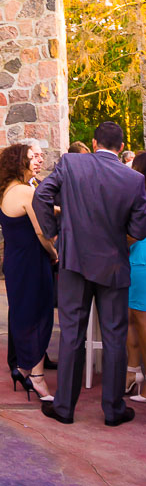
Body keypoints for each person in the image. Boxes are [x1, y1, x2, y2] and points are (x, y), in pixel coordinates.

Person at [33, 121, 146, 426]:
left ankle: (64, 408)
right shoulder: (134, 179)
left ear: (95, 143)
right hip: (113, 265)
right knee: (114, 336)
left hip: (74, 261)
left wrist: (54, 234)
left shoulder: (71, 163)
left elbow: (41, 196)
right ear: (121, 147)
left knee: (72, 334)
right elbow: (139, 229)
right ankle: (113, 410)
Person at [0, 144, 57, 402]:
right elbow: (41, 231)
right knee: (39, 317)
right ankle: (37, 377)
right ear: (19, 162)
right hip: (33, 262)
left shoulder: (4, 191)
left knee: (23, 315)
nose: (37, 161)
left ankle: (22, 369)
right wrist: (54, 253)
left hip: (15, 262)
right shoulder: (26, 191)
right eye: (32, 158)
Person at [126, 151, 146, 402]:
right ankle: (133, 372)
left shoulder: (140, 199)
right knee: (130, 319)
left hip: (140, 260)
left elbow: (134, 234)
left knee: (141, 322)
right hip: (134, 261)